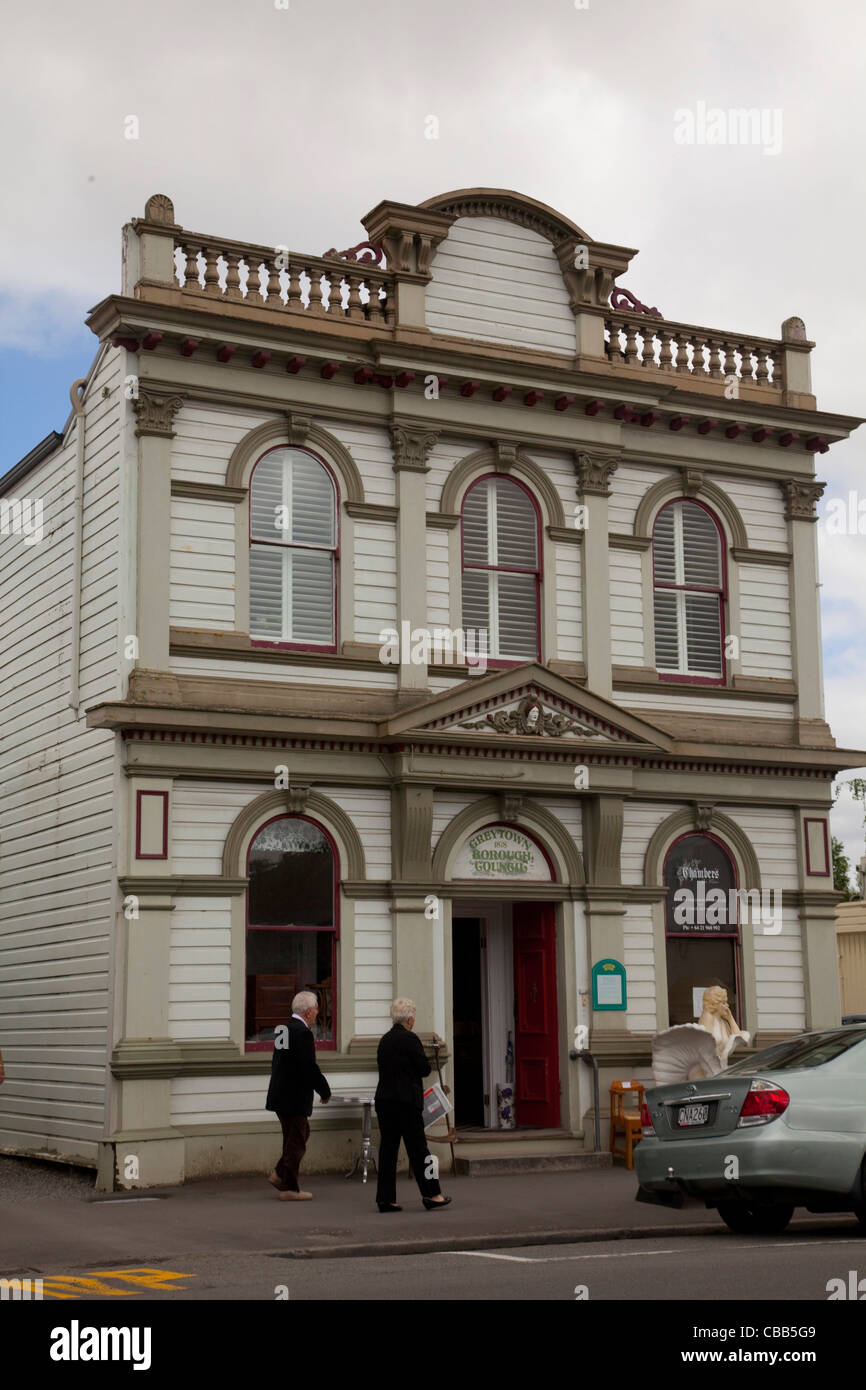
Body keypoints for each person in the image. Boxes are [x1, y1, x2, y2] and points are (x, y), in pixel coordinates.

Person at [374, 998, 452, 1213]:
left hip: (385, 1100)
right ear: (409, 1019)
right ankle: (432, 1194)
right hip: (406, 1102)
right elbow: (424, 1069)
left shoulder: (385, 1040)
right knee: (419, 1151)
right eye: (414, 1017)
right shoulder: (410, 1039)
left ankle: (385, 1199)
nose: (414, 1020)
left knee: (388, 1151)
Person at [265, 990, 331, 1201]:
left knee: (294, 1137)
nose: (317, 1014)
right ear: (309, 1012)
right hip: (294, 1095)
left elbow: (282, 1062)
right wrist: (324, 1089)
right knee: (297, 1141)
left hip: (280, 1093)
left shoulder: (283, 1029)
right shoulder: (303, 1033)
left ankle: (280, 1174)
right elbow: (308, 1066)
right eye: (317, 1010)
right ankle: (290, 1187)